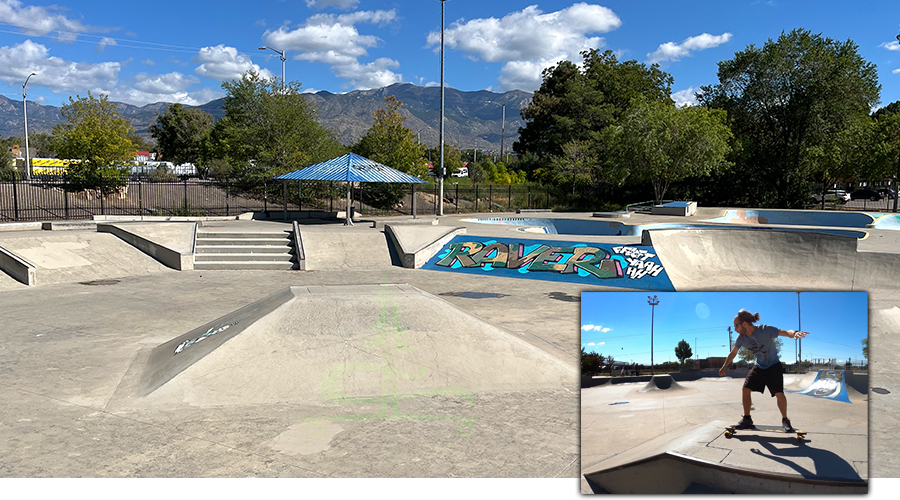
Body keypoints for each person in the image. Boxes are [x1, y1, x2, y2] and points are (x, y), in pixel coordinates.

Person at [719, 309, 808, 432]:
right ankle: (747, 419)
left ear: (744, 323)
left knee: (779, 394)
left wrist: (795, 333)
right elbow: (733, 353)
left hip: (774, 365)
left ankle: (785, 420)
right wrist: (724, 366)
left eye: (736, 326)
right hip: (759, 366)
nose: (735, 330)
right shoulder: (741, 339)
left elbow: (787, 332)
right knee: (745, 389)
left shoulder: (765, 330)